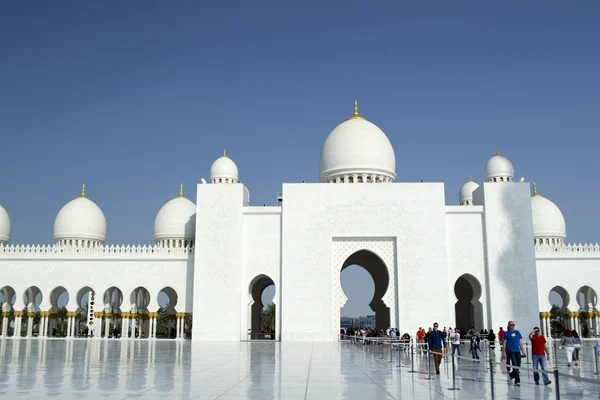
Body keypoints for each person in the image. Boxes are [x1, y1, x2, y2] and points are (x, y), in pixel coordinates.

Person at [501, 320, 526, 386]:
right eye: (511, 325)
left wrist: (523, 351)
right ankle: (517, 381)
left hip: (517, 351)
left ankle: (511, 375)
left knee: (518, 365)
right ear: (508, 326)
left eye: (513, 325)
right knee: (514, 365)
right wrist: (503, 353)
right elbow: (504, 343)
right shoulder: (506, 333)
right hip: (510, 351)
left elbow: (520, 342)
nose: (512, 326)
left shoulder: (517, 332)